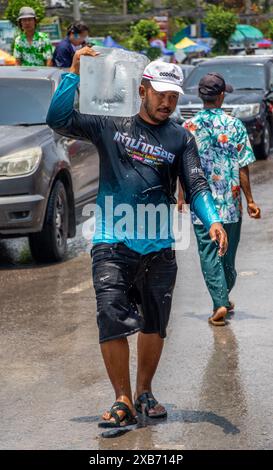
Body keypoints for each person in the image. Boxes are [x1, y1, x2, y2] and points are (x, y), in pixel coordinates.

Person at [46, 49, 228, 429]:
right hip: (112, 239)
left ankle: (145, 390)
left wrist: (212, 219)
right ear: (142, 89)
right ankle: (122, 398)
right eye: (161, 94)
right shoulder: (110, 125)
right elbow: (59, 119)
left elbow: (195, 183)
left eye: (174, 97)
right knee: (110, 317)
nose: (167, 102)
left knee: (154, 322)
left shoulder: (181, 138)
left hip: (160, 245)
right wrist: (73, 73)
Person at [181, 72, 261, 326]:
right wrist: (250, 201)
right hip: (231, 204)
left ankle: (221, 300)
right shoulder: (235, 125)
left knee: (208, 253)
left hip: (201, 204)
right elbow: (243, 166)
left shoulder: (188, 128)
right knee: (228, 256)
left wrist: (181, 196)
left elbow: (182, 168)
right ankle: (221, 300)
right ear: (222, 95)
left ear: (201, 96)